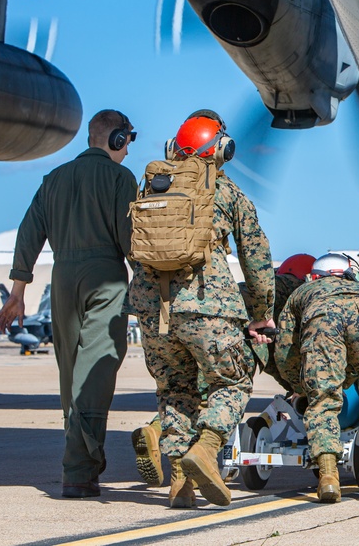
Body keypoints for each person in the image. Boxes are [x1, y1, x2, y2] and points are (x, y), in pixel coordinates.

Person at [124, 110, 275, 509]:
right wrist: (262, 313)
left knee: (175, 390)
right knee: (233, 382)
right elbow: (257, 259)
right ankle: (206, 449)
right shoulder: (227, 193)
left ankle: (179, 483)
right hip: (209, 307)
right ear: (223, 150)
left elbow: (136, 249)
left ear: (174, 148)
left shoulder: (152, 187)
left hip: (152, 311)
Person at [0, 109, 139, 499]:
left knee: (70, 373)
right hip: (104, 276)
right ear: (117, 139)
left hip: (62, 278)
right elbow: (131, 241)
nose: (129, 150)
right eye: (129, 140)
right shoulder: (120, 178)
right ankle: (79, 470)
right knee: (95, 370)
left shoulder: (53, 179)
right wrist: (147, 285)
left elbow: (29, 233)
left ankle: (79, 463)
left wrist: (18, 292)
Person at [130, 253, 316, 488]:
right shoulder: (297, 296)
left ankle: (155, 431)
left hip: (201, 324)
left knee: (188, 394)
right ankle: (200, 462)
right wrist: (298, 388)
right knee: (222, 402)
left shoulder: (253, 287)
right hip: (236, 347)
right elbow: (283, 353)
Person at [261, 253, 359, 503]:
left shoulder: (303, 292)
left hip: (321, 321)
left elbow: (284, 350)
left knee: (322, 400)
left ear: (314, 276)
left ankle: (328, 478)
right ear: (348, 272)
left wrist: (300, 386)